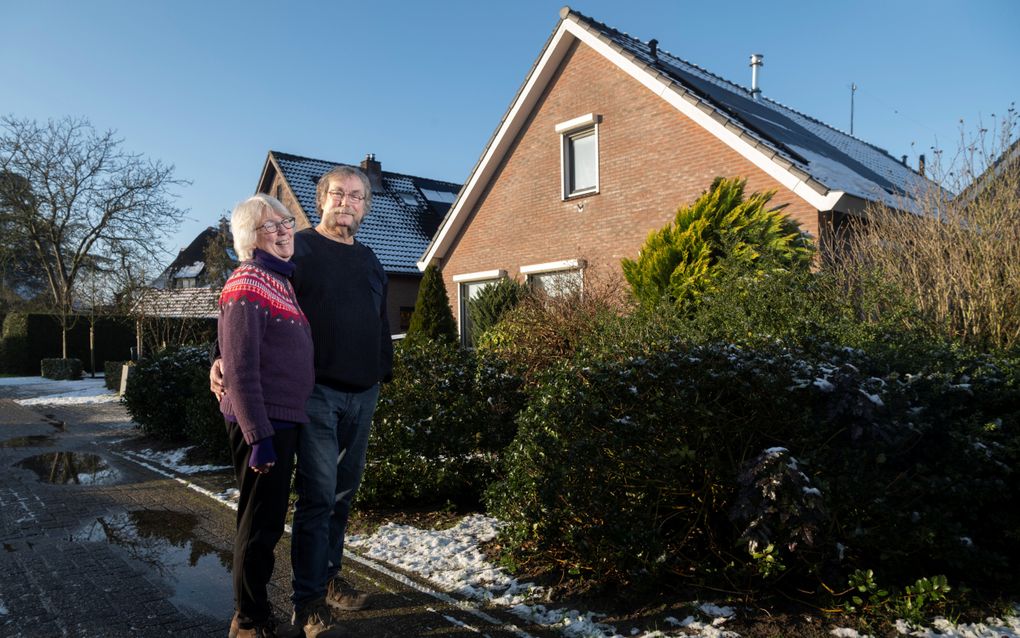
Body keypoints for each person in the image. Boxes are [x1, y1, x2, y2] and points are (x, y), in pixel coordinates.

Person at [213, 165, 392, 637]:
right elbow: (245, 305)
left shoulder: (373, 260)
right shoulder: (298, 250)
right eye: (338, 194)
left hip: (363, 394)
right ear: (320, 200)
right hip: (314, 396)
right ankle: (308, 601)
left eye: (357, 196)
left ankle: (330, 578)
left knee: (341, 495)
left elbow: (378, 323)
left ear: (366, 207)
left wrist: (381, 374)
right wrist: (218, 360)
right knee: (317, 497)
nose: (347, 202)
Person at [218, 194, 314, 638]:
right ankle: (248, 620)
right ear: (247, 238)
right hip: (264, 424)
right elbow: (238, 366)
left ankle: (252, 611)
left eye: (286, 221)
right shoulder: (247, 283)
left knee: (267, 520)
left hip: (281, 420)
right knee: (259, 522)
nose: (283, 230)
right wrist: (258, 436)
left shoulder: (279, 280)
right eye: (270, 225)